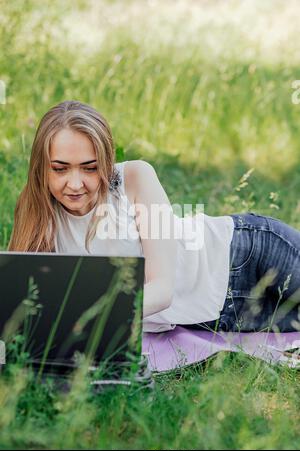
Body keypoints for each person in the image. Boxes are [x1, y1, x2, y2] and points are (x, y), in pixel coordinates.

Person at [8, 101, 300, 334]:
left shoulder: (134, 178)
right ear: (41, 167)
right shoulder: (35, 209)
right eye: (60, 169)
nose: (75, 183)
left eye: (90, 167)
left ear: (107, 163)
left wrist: (86, 319)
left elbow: (161, 289)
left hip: (248, 253)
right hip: (222, 314)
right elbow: (21, 299)